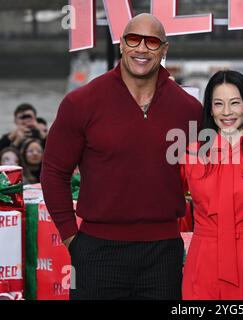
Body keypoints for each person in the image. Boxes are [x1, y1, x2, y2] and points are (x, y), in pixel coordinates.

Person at [41, 13, 202, 300]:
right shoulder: (81, 103)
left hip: (163, 253)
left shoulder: (189, 109)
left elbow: (211, 174)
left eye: (152, 42)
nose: (142, 48)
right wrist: (70, 238)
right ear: (121, 45)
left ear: (164, 50)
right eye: (133, 39)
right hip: (95, 250)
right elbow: (53, 172)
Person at [181, 70, 243, 299]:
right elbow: (164, 197)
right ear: (210, 109)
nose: (227, 112)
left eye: (235, 103)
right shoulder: (191, 153)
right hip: (203, 259)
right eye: (218, 104)